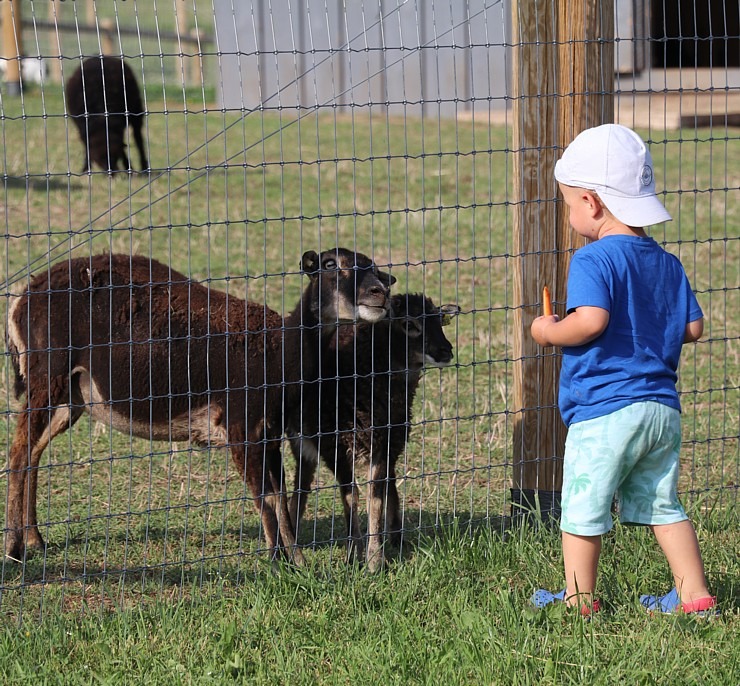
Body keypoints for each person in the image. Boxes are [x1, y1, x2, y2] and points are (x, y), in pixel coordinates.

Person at [529, 124, 716, 616]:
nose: (570, 212)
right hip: (662, 412)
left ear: (591, 202)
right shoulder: (668, 263)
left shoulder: (592, 259)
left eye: (569, 202)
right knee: (663, 505)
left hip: (605, 412)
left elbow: (591, 321)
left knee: (583, 506)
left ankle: (579, 600)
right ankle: (694, 596)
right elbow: (694, 328)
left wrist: (548, 331)